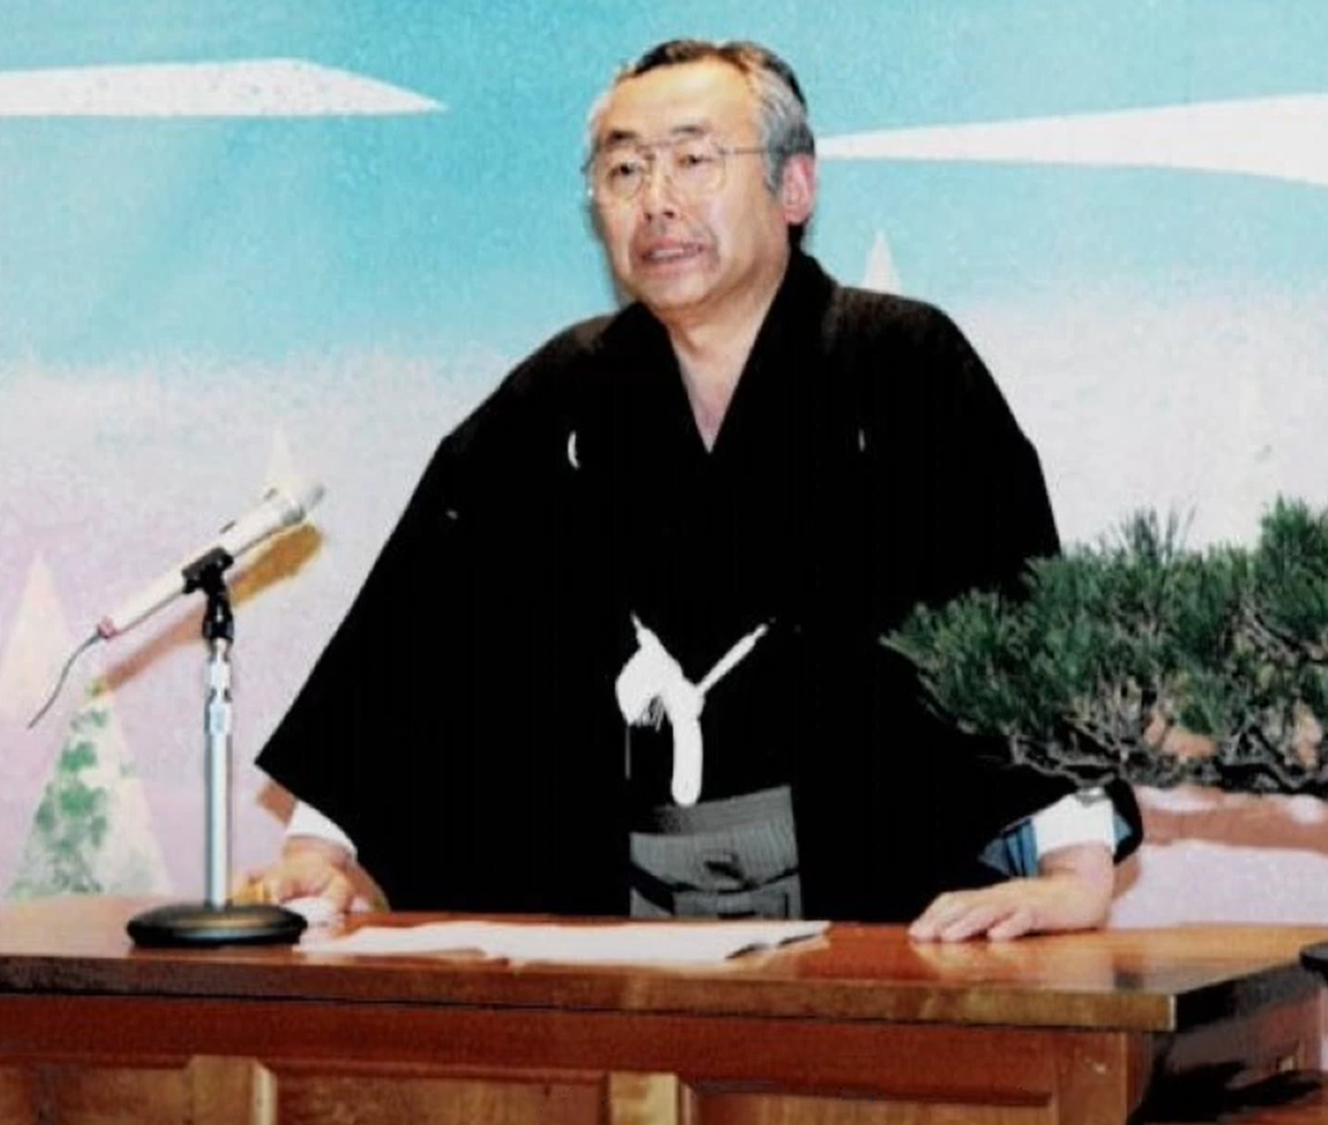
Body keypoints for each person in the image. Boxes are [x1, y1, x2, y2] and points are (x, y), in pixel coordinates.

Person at [243, 38, 1140, 941]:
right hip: (605, 914)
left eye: (695, 159)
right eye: (625, 169)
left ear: (795, 188)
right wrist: (322, 847)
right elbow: (416, 633)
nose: (657, 200)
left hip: (871, 914)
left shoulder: (906, 368)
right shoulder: (556, 397)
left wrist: (1074, 874)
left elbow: (1017, 615)